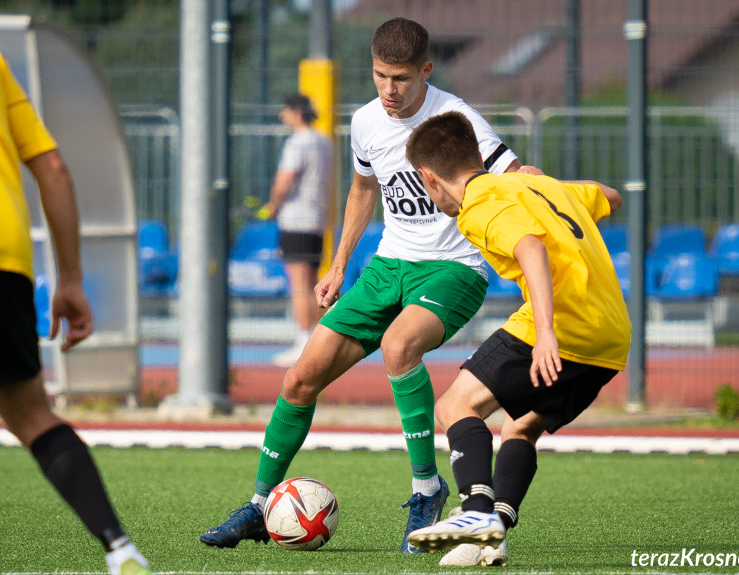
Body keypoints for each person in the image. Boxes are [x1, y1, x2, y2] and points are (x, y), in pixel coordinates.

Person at [200, 17, 535, 554]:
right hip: (386, 268)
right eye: (380, 76)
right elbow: (362, 190)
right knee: (299, 379)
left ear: (425, 71)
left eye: (401, 78)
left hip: (453, 269)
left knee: (399, 346)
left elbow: (515, 173)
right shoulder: (364, 122)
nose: (389, 90)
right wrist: (337, 265)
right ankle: (261, 506)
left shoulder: (458, 120)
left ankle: (426, 488)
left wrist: (550, 189)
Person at [0, 9, 151, 575]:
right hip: (4, 252)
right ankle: (121, 549)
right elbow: (53, 167)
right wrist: (68, 280)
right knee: (31, 413)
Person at [402, 111, 632, 566]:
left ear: (429, 178)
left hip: (563, 323)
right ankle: (492, 532)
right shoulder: (538, 185)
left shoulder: (478, 205)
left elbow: (530, 247)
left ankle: (474, 512)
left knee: (453, 407)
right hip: (610, 336)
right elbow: (612, 196)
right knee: (521, 426)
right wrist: (549, 187)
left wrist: (545, 331)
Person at [257, 93, 332, 367]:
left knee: (299, 285)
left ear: (296, 113)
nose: (282, 116)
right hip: (317, 220)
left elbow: (284, 181)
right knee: (312, 283)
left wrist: (272, 205)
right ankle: (315, 341)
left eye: (285, 111)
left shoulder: (297, 143)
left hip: (297, 220)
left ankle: (304, 342)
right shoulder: (324, 142)